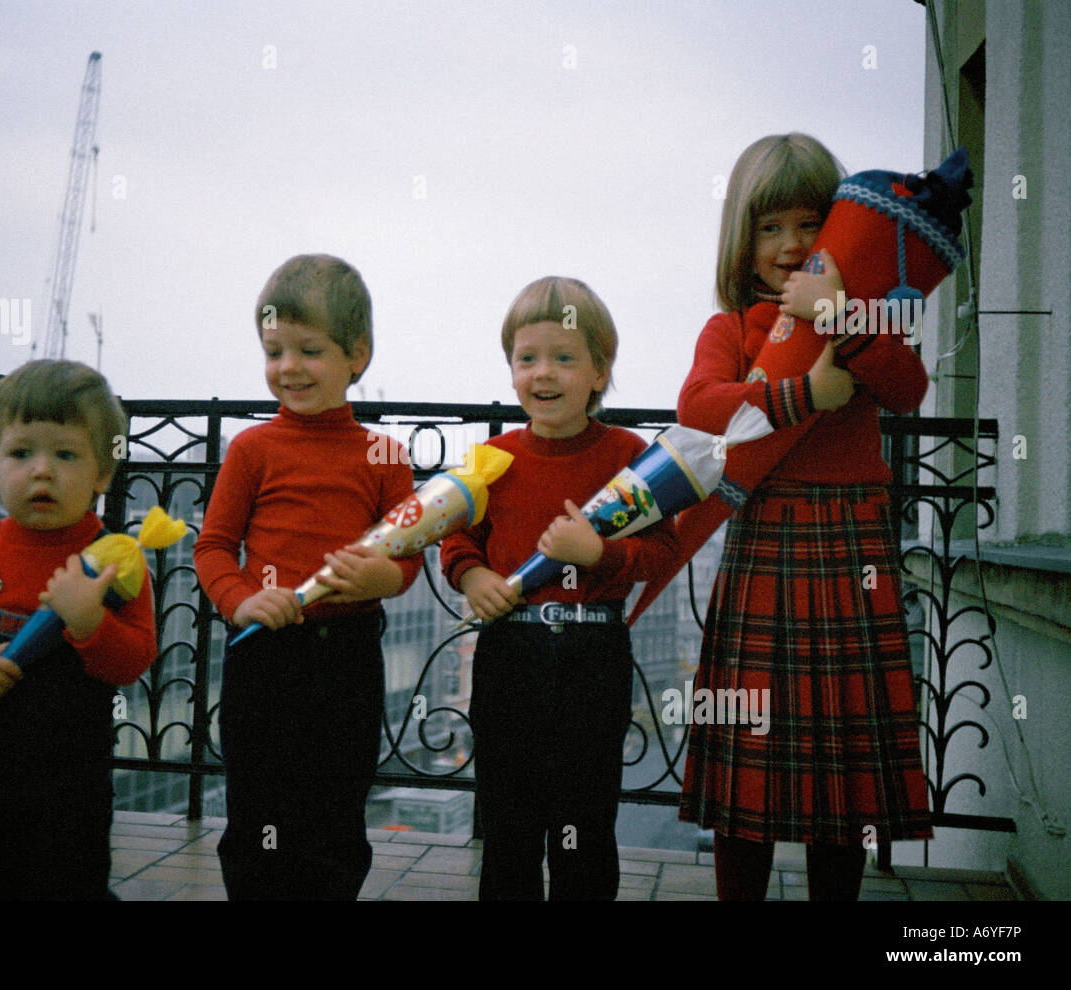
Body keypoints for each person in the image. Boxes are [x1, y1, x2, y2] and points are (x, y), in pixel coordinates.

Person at [678, 133, 933, 901]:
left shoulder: (858, 316)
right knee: (745, 775)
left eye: (808, 225)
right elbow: (698, 408)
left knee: (844, 779)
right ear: (742, 240)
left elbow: (908, 388)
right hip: (767, 540)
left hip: (852, 545)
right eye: (770, 227)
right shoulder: (732, 328)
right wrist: (801, 395)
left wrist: (844, 316)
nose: (791, 246)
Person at [440, 276, 677, 900]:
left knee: (585, 823)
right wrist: (476, 575)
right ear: (511, 369)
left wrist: (595, 552)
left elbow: (662, 552)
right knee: (508, 825)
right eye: (527, 358)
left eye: (564, 358)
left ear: (600, 371)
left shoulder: (631, 457)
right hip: (508, 655)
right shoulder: (491, 458)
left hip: (591, 658)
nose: (543, 373)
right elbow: (457, 540)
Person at [194, 254, 422, 900]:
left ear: (358, 353)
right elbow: (212, 549)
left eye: (308, 350)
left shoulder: (385, 454)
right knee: (257, 813)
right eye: (274, 351)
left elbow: (406, 560)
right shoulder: (251, 450)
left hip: (348, 657)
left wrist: (383, 576)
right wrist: (240, 602)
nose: (287, 367)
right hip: (265, 656)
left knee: (336, 816)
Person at [0, 359, 156, 900]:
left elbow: (134, 657)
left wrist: (89, 622)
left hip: (73, 782)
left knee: (70, 882)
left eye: (65, 455)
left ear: (101, 474)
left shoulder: (118, 561)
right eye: (20, 454)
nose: (42, 471)